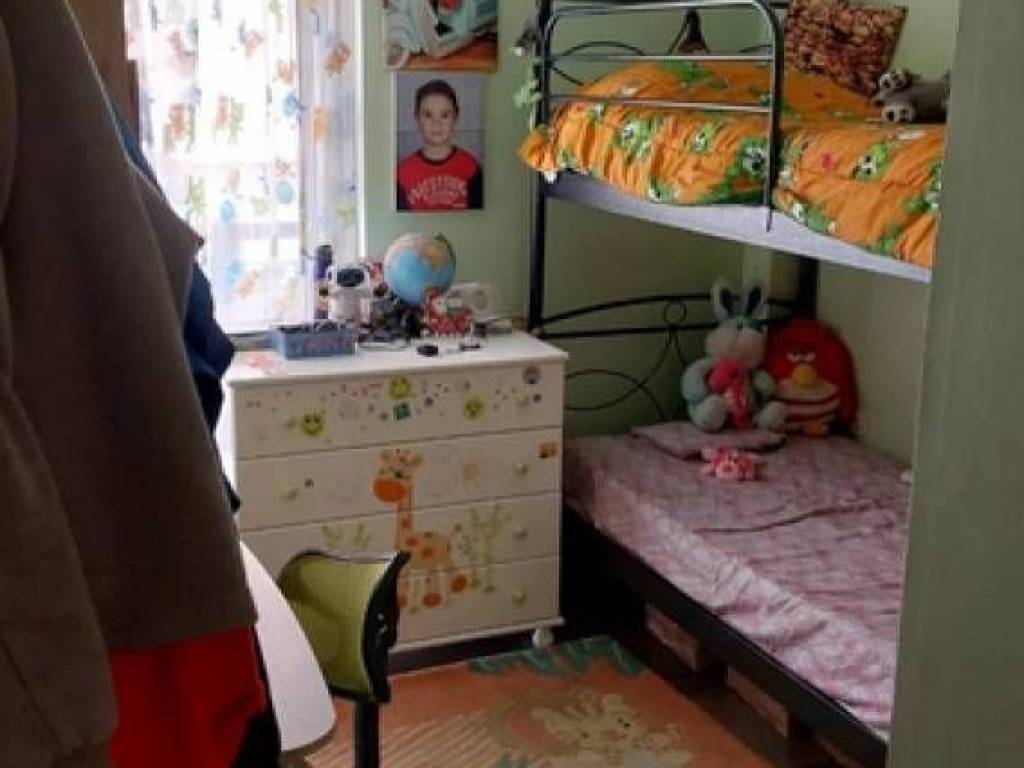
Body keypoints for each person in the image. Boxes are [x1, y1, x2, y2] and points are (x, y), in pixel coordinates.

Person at [397, 78, 483, 211]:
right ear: (417, 119)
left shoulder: (470, 167)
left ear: (455, 118)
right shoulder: (403, 173)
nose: (436, 124)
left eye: (445, 115)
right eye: (428, 115)